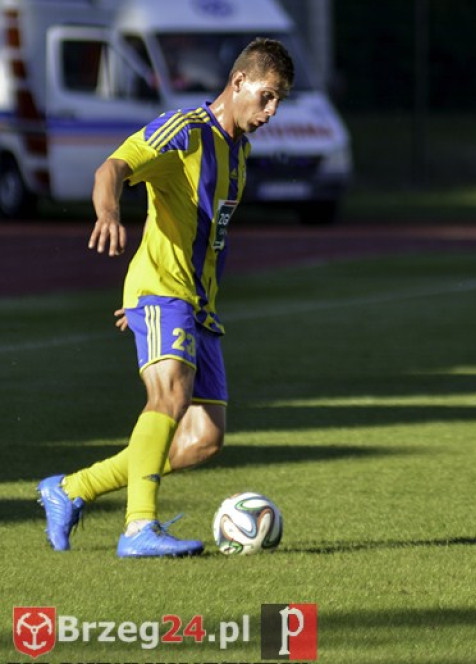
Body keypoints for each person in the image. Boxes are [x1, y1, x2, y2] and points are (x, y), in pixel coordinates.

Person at [37, 38, 294, 558]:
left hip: (194, 304)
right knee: (170, 398)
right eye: (266, 96)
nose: (271, 111)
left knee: (203, 439)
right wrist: (109, 213)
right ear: (239, 81)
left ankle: (71, 489)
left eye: (279, 101)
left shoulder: (238, 155)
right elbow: (111, 168)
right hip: (163, 291)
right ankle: (138, 527)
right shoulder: (185, 129)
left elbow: (199, 235)